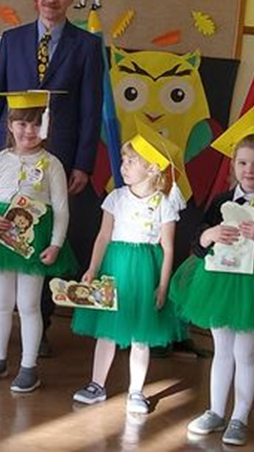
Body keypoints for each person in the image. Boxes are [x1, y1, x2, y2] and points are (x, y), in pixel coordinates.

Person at [0, 0, 104, 348]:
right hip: (9, 153)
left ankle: (37, 329)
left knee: (41, 239)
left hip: (57, 154)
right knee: (1, 238)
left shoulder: (87, 46)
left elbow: (91, 108)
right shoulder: (13, 39)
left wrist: (83, 163)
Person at [170, 108, 254, 446]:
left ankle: (239, 416)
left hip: (253, 286)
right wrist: (210, 234)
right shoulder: (221, 201)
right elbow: (197, 243)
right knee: (222, 350)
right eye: (242, 162)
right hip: (218, 281)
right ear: (233, 164)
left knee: (246, 352)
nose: (249, 170)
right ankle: (215, 411)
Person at [0, 91, 77, 393]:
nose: (29, 131)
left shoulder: (52, 164)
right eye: (22, 124)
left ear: (46, 126)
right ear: (10, 126)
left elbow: (62, 209)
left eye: (36, 124)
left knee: (29, 304)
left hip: (35, 240)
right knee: (1, 303)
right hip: (0, 237)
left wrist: (55, 244)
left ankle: (28, 367)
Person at [72, 123, 184, 414]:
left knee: (140, 334)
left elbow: (168, 248)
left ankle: (136, 391)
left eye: (131, 161)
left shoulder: (163, 204)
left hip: (145, 271)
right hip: (115, 268)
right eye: (123, 160)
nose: (123, 166)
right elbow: (103, 236)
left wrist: (163, 285)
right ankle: (97, 385)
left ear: (152, 168)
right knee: (107, 330)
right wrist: (93, 268)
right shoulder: (116, 198)